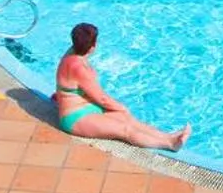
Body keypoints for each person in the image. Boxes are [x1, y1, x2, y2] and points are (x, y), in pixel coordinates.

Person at [52, 22, 189, 150]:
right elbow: (102, 99)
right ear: (93, 47)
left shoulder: (71, 53)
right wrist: (121, 108)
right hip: (75, 118)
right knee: (125, 129)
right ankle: (169, 143)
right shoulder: (80, 69)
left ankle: (169, 136)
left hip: (86, 107)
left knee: (128, 120)